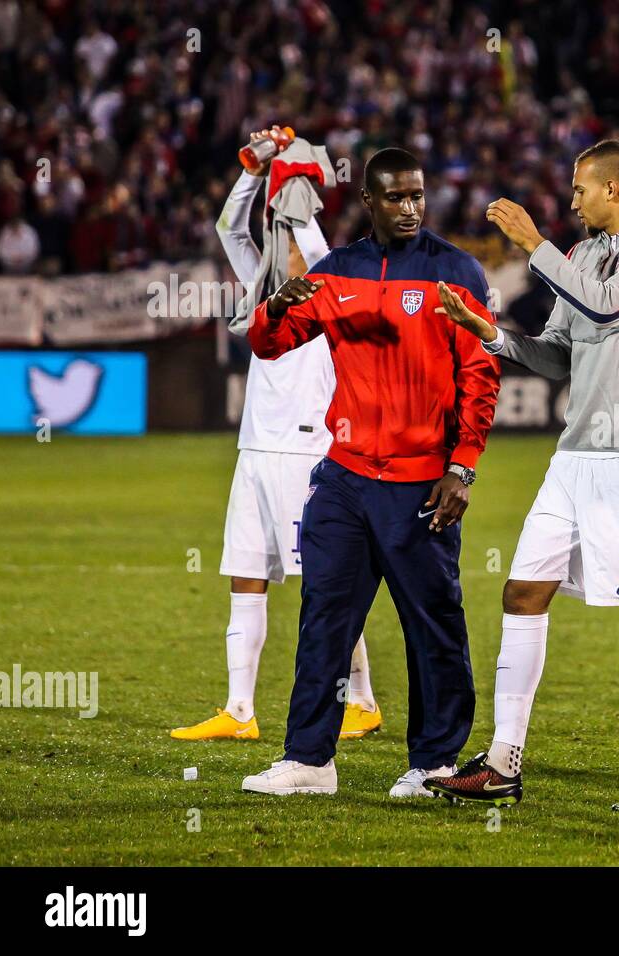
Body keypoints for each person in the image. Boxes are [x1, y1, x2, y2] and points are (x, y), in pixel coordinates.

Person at [429, 140, 619, 812]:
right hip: (574, 455)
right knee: (523, 592)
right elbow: (557, 356)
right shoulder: (579, 256)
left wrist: (532, 244)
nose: (572, 201)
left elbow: (609, 308)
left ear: (615, 189)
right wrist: (488, 330)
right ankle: (502, 763)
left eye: (580, 189)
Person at [240, 147, 501, 795]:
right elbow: (270, 344)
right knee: (324, 616)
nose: (410, 207)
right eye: (396, 197)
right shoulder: (337, 272)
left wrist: (462, 466)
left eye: (418, 195)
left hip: (421, 482)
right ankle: (309, 761)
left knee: (432, 623)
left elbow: (480, 372)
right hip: (345, 479)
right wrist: (274, 307)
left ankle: (435, 762)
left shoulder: (455, 271)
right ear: (369, 201)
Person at [172, 128, 382, 744]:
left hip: (304, 453)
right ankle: (239, 710)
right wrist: (254, 169)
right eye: (280, 236)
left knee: (326, 582)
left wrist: (292, 176)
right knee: (245, 573)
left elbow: (306, 237)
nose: (281, 243)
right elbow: (228, 230)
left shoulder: (329, 285)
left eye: (288, 235)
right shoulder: (269, 287)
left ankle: (362, 701)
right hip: (255, 453)